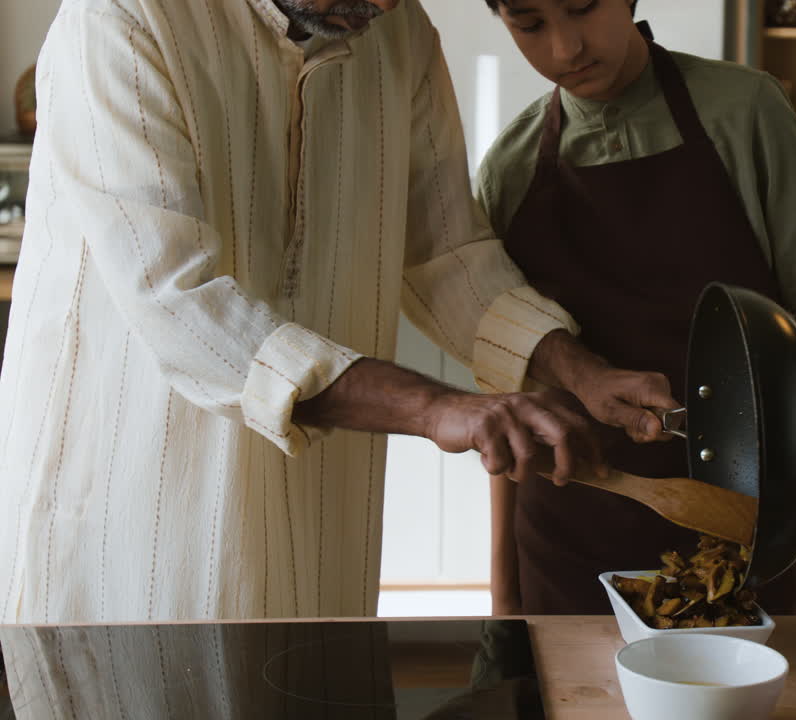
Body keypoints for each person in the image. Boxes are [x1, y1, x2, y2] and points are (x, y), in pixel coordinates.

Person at [0, 0, 676, 625]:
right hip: (134, 498)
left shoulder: (399, 31)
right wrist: (436, 408)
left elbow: (447, 252)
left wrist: (577, 369)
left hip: (318, 503)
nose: (384, 4)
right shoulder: (124, 18)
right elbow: (178, 300)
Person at [477, 0, 796, 616]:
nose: (565, 48)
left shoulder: (746, 110)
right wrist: (503, 579)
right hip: (564, 541)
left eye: (581, 7)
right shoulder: (509, 167)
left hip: (749, 529)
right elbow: (506, 381)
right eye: (529, 25)